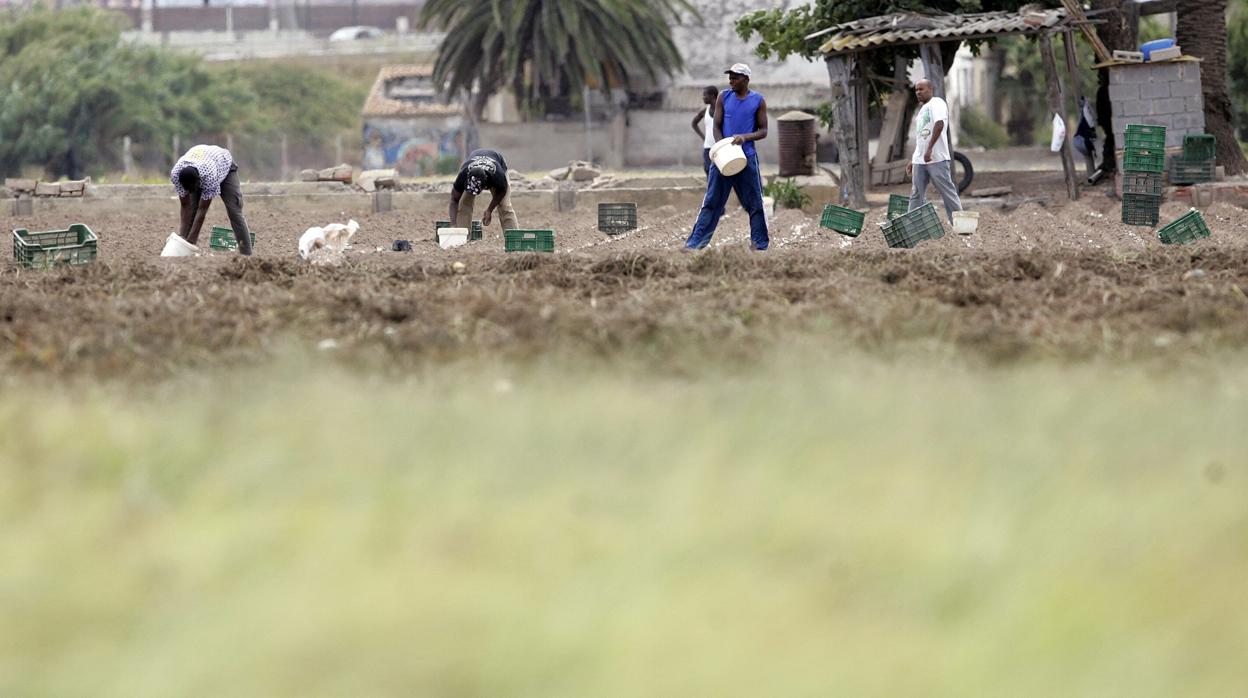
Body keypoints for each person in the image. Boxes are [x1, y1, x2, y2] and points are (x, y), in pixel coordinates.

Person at [684, 63, 769, 251]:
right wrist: (723, 148)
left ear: (746, 79)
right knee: (712, 201)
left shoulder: (758, 100)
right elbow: (717, 126)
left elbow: (763, 131)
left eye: (736, 77)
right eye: (730, 77)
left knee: (754, 203)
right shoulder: (723, 97)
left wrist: (745, 137)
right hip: (724, 158)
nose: (731, 80)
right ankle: (694, 244)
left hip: (746, 157)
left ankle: (760, 244)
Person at [170, 144, 253, 255]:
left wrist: (191, 241)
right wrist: (182, 241)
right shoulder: (176, 175)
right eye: (188, 190)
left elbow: (202, 210)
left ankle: (246, 255)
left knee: (234, 212)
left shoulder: (209, 175)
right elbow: (185, 206)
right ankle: (183, 251)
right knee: (192, 210)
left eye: (193, 189)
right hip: (202, 164)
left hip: (225, 167)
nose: (191, 192)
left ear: (199, 181)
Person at [906, 79, 962, 225]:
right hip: (920, 161)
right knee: (916, 194)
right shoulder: (921, 110)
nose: (918, 92)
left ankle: (960, 224)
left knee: (947, 192)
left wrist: (930, 148)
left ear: (931, 88)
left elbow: (939, 124)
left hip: (936, 159)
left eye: (921, 89)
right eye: (916, 90)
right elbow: (921, 138)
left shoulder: (937, 103)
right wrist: (913, 159)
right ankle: (912, 226)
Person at [449, 148, 518, 230]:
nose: (474, 192)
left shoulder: (497, 176)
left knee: (505, 206)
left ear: (486, 183)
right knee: (464, 203)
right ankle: (463, 236)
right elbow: (454, 200)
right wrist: (453, 225)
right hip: (474, 161)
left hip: (497, 162)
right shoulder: (463, 175)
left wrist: (489, 210)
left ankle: (513, 237)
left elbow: (501, 192)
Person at [690, 85, 719, 176]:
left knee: (722, 171)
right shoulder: (704, 111)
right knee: (708, 169)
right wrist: (704, 137)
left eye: (705, 95)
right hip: (708, 147)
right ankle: (711, 190)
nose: (703, 97)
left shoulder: (723, 110)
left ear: (713, 95)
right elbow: (694, 123)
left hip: (721, 146)